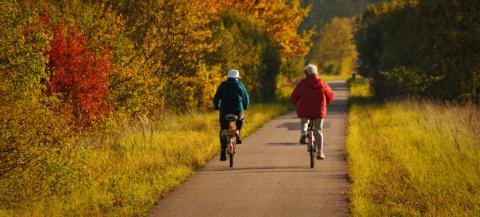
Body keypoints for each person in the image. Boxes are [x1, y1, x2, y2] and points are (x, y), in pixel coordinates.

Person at [291, 64, 334, 160]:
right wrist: (329, 101)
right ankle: (320, 153)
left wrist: (294, 102)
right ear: (316, 72)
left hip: (304, 110)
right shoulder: (322, 83)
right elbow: (330, 94)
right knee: (318, 130)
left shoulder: (302, 83)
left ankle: (303, 134)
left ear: (306, 72)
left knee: (304, 121)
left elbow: (294, 95)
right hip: (319, 110)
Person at [213, 69, 250, 161]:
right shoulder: (240, 85)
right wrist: (245, 106)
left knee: (223, 130)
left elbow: (216, 98)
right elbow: (246, 98)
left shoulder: (222, 85)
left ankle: (223, 151)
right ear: (237, 77)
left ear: (228, 77)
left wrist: (216, 106)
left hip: (224, 111)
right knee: (241, 119)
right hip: (238, 110)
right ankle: (238, 133)